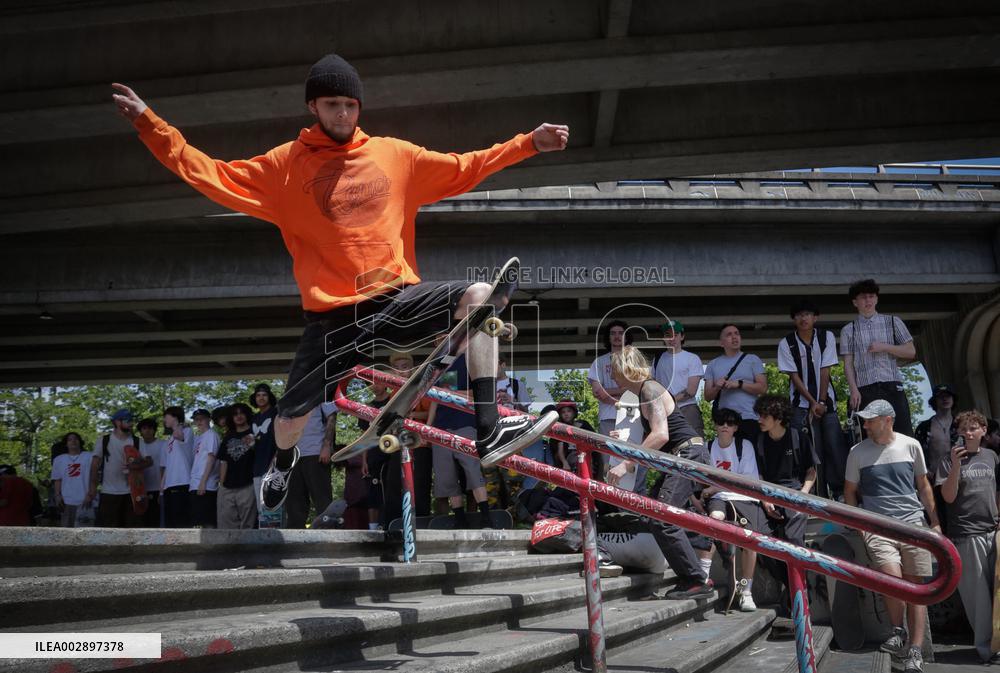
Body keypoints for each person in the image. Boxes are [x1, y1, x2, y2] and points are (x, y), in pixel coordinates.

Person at [113, 53, 568, 514]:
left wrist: (527, 143)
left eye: (351, 105)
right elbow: (205, 172)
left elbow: (465, 166)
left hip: (396, 299)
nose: (344, 115)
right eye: (333, 105)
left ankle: (490, 429)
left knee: (480, 297)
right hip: (331, 318)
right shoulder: (283, 168)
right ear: (314, 106)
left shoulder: (395, 155)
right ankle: (284, 462)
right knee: (290, 421)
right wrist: (152, 125)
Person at [606, 346, 714, 600]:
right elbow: (656, 438)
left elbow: (660, 435)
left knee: (663, 518)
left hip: (688, 456)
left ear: (626, 368)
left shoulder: (650, 389)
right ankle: (694, 569)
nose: (612, 377)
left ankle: (695, 580)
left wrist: (625, 464)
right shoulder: (645, 392)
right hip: (682, 457)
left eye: (614, 370)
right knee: (656, 516)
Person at [843, 400, 939, 673]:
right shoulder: (856, 452)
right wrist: (859, 524)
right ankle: (898, 630)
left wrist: (934, 523)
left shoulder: (911, 445)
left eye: (870, 420)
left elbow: (923, 485)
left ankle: (916, 651)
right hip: (877, 527)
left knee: (916, 588)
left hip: (913, 525)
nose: (865, 425)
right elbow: (850, 490)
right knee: (892, 580)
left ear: (887, 420)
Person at [935, 410, 999, 665]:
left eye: (974, 428)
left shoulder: (992, 456)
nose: (969, 433)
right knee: (978, 599)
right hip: (965, 535)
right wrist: (956, 465)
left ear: (984, 431)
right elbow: (948, 497)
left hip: (992, 531)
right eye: (964, 429)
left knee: (996, 593)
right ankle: (987, 650)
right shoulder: (947, 461)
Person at [695, 407, 767, 612]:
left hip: (743, 498)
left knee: (750, 539)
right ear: (715, 426)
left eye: (729, 423)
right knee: (713, 521)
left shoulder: (744, 447)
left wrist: (713, 488)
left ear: (736, 427)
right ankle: (703, 577)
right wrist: (706, 493)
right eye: (720, 422)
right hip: (719, 499)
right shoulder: (708, 447)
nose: (724, 426)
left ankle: (746, 591)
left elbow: (745, 481)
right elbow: (700, 478)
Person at [777, 299, 847, 499]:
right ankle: (816, 494)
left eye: (807, 314)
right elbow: (794, 376)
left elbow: (826, 370)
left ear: (815, 317)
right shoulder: (786, 343)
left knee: (834, 445)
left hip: (828, 404)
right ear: (793, 319)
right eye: (799, 315)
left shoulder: (826, 337)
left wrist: (822, 402)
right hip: (799, 406)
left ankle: (840, 491)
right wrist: (812, 402)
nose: (803, 318)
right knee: (808, 450)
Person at [752, 395, 816, 611]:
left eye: (764, 415)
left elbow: (811, 470)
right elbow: (758, 474)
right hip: (769, 495)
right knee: (761, 541)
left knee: (792, 540)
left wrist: (803, 494)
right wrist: (765, 501)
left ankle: (799, 596)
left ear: (778, 418)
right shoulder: (759, 441)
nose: (759, 419)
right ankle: (792, 589)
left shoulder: (798, 437)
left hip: (795, 494)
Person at [840, 279, 916, 435]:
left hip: (892, 384)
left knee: (902, 431)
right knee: (869, 434)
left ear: (876, 298)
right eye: (863, 297)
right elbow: (848, 364)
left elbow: (911, 351)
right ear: (855, 302)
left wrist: (885, 346)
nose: (868, 300)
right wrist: (853, 390)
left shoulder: (893, 321)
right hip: (865, 388)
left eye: (871, 296)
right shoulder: (848, 330)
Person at [427, 352, 494, 528]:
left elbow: (480, 394)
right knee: (445, 476)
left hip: (465, 424)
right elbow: (435, 398)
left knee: (472, 471)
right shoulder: (438, 364)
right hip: (441, 427)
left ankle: (486, 517)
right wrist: (428, 426)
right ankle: (459, 519)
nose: (442, 340)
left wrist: (451, 391)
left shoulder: (470, 361)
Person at [703, 325, 767, 445]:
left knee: (752, 459)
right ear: (721, 343)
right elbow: (707, 396)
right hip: (726, 422)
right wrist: (717, 386)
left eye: (736, 333)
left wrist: (739, 384)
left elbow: (763, 388)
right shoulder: (713, 364)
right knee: (729, 459)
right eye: (729, 334)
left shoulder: (753, 359)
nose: (734, 337)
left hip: (750, 418)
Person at [915, 384, 959, 535]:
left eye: (948, 395)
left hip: (961, 477)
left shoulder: (963, 425)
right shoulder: (924, 428)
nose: (945, 399)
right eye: (941, 396)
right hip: (934, 480)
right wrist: (925, 470)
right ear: (934, 401)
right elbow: (917, 453)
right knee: (940, 519)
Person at [90, 409, 144, 528]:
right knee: (108, 530)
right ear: (117, 422)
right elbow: (94, 466)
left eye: (132, 420)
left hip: (132, 494)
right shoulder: (104, 441)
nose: (131, 423)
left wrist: (136, 464)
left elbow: (148, 462)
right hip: (108, 493)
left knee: (131, 531)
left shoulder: (137, 441)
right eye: (127, 420)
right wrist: (92, 488)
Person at [285, 402, 335, 529]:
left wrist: (327, 445)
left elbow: (332, 417)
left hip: (315, 453)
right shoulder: (291, 397)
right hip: (293, 455)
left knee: (321, 497)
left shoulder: (321, 393)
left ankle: (327, 531)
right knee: (294, 501)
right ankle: (294, 536)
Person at [652, 319, 704, 436]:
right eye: (668, 335)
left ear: (682, 336)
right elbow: (653, 386)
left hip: (687, 408)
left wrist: (668, 401)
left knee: (694, 444)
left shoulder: (692, 358)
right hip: (664, 412)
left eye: (676, 335)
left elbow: (691, 391)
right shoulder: (657, 359)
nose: (672, 339)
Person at [217, 403, 258, 529]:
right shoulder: (228, 437)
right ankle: (229, 549)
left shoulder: (255, 432)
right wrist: (221, 484)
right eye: (235, 414)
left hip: (248, 484)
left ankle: (246, 549)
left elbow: (261, 456)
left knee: (248, 525)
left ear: (247, 415)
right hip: (227, 487)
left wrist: (254, 443)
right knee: (226, 525)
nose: (239, 416)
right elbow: (224, 462)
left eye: (241, 413)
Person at [160, 406, 194, 528]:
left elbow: (179, 436)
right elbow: (168, 464)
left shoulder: (187, 431)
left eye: (166, 416)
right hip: (169, 484)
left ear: (175, 416)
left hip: (182, 482)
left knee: (181, 521)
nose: (164, 420)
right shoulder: (169, 440)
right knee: (170, 522)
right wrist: (162, 485)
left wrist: (179, 424)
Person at [51, 432, 94, 527]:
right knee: (67, 532)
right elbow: (57, 479)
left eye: (75, 439)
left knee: (85, 532)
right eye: (69, 439)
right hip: (66, 501)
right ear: (66, 443)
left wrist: (91, 494)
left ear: (80, 442)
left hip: (85, 501)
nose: (73, 441)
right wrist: (57, 495)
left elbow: (94, 477)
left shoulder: (89, 457)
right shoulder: (58, 460)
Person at [249, 383, 278, 514]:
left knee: (274, 507)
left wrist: (275, 461)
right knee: (261, 509)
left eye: (264, 395)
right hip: (257, 468)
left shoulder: (277, 414)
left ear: (269, 397)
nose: (261, 398)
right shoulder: (253, 418)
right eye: (258, 395)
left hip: (275, 468)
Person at [189, 409, 220, 528]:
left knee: (208, 521)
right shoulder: (199, 437)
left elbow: (211, 458)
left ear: (209, 419)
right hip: (195, 483)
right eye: (196, 419)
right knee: (197, 522)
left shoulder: (211, 435)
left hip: (206, 485)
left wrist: (203, 482)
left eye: (202, 418)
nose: (199, 421)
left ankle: (211, 546)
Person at [550, 400, 598, 474]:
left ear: (574, 412)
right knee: (576, 459)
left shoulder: (583, 425)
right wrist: (564, 463)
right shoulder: (561, 429)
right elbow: (560, 449)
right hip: (571, 456)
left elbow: (595, 439)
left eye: (569, 411)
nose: (566, 414)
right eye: (563, 412)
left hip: (587, 453)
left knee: (595, 459)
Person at [136, 418, 164, 527]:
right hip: (140, 489)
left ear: (154, 430)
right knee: (142, 521)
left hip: (159, 488)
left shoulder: (163, 444)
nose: (147, 431)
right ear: (140, 431)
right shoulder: (136, 446)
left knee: (157, 520)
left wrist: (163, 489)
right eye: (144, 428)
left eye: (150, 428)